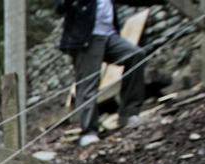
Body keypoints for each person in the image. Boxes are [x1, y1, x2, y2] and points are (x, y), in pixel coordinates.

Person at [55, 0, 161, 147]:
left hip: (109, 35)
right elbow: (60, 6)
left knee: (135, 56)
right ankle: (89, 131)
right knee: (88, 83)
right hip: (86, 38)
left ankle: (129, 114)